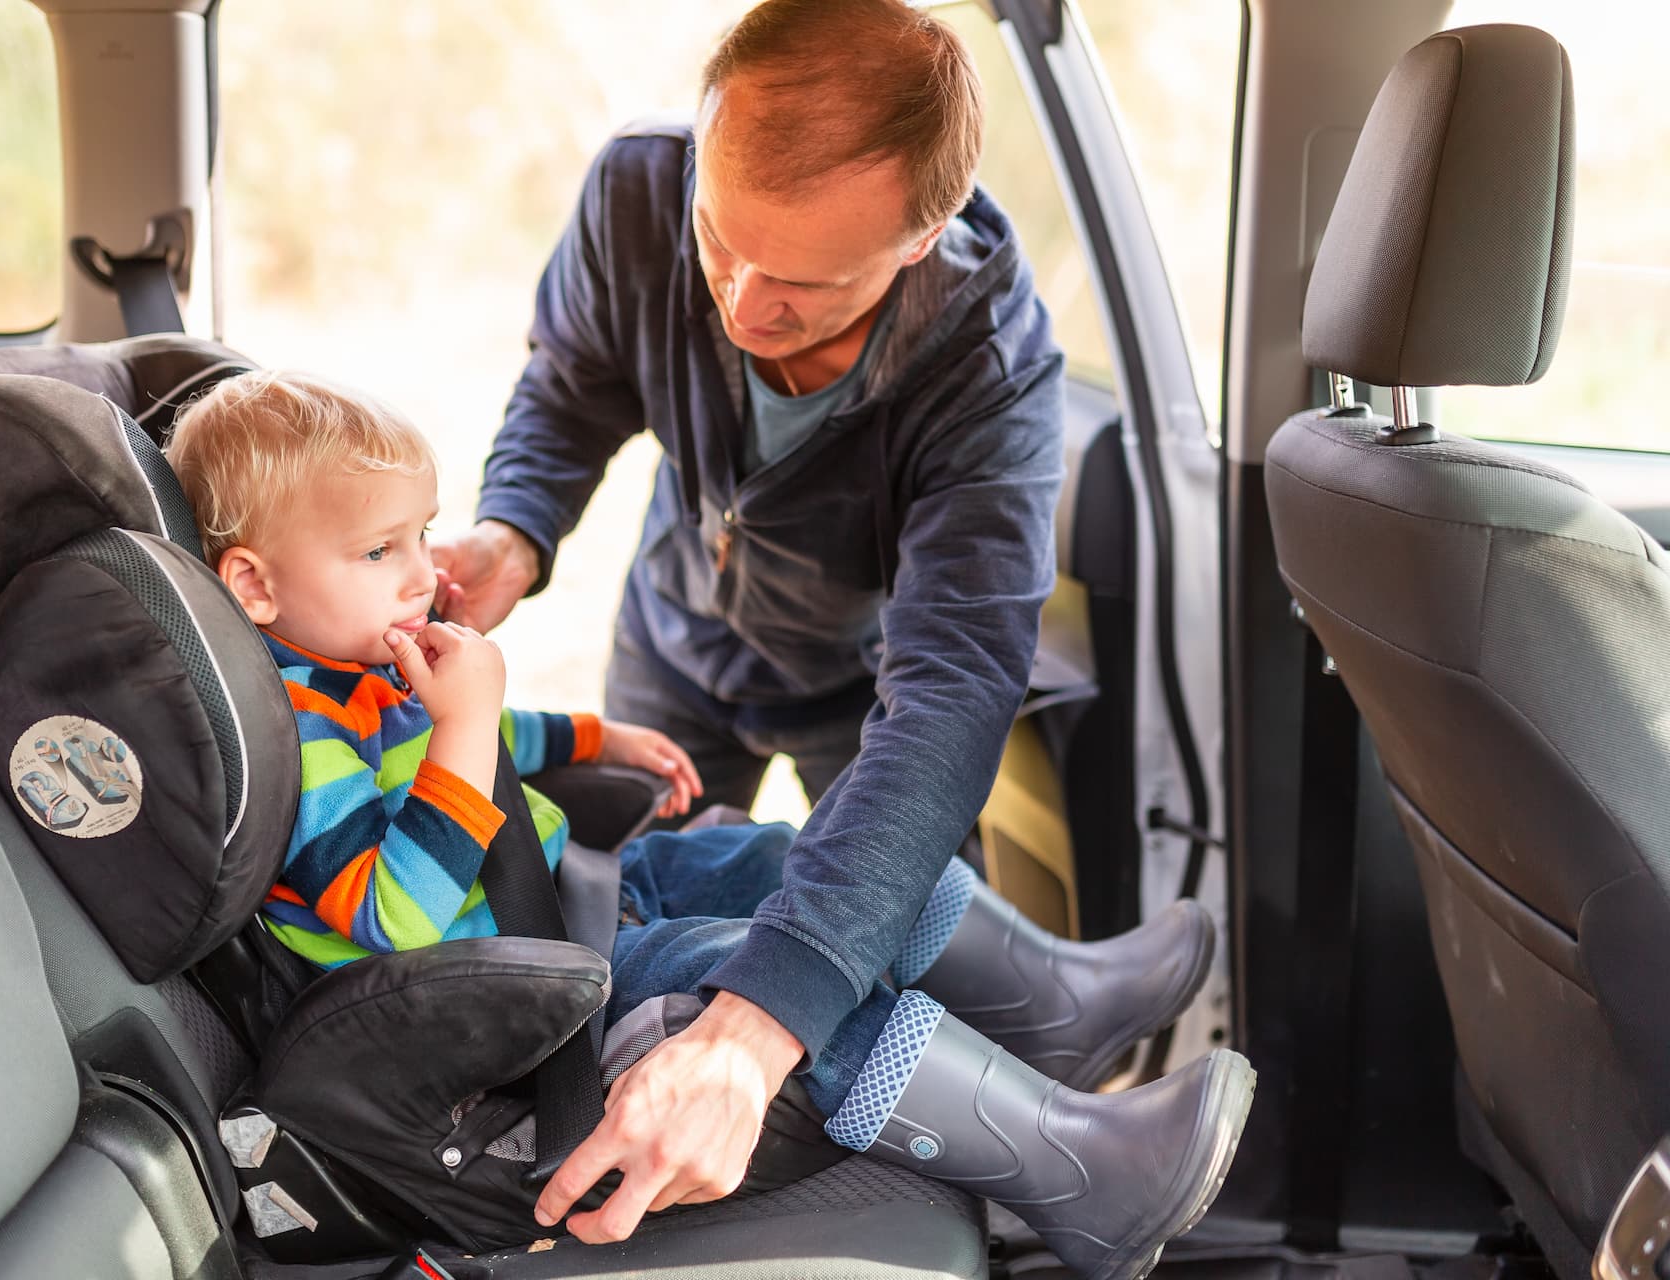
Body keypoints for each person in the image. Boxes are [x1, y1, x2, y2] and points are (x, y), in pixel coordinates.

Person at [430, 0, 1227, 1250]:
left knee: (863, 919)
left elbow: (952, 694)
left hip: (867, 698)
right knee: (668, 901)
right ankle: (1050, 1011)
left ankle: (1044, 1080)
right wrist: (512, 534)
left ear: (920, 240)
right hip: (678, 638)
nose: (745, 303)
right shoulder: (643, 192)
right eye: (723, 243)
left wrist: (755, 1031)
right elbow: (573, 384)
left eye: (804, 282)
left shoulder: (991, 366)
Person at [166, 368, 1255, 1279]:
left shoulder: (356, 659)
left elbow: (481, 720)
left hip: (566, 893)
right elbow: (396, 917)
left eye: (423, 534)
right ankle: (1080, 1175)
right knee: (761, 971)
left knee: (785, 854)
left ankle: (1052, 999)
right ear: (255, 584)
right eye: (378, 553)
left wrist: (596, 739)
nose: (422, 573)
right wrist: (467, 724)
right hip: (512, 993)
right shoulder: (295, 742)